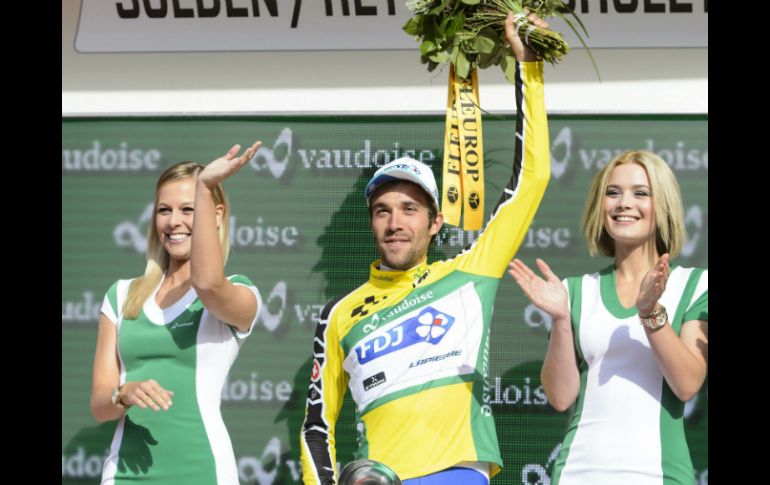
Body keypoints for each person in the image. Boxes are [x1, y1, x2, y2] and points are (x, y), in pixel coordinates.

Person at [300, 12, 552, 485]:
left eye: (410, 209)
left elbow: (531, 180)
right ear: (371, 222)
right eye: (383, 211)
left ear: (436, 221)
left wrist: (528, 69)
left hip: (456, 475)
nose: (395, 223)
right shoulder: (338, 314)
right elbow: (317, 426)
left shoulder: (470, 274)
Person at [507, 150, 708, 484]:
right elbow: (560, 397)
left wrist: (649, 313)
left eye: (640, 193)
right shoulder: (575, 291)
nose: (623, 203)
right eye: (612, 193)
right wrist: (559, 320)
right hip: (576, 474)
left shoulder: (695, 284)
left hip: (659, 475)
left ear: (664, 206)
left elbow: (687, 384)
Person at [90, 141, 264, 484]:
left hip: (203, 471)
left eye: (189, 209)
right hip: (125, 475)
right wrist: (123, 394)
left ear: (216, 215)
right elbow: (100, 405)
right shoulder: (121, 295)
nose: (174, 222)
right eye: (163, 210)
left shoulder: (239, 291)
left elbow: (208, 284)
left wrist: (203, 188)